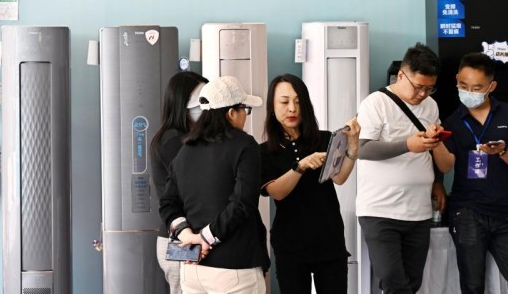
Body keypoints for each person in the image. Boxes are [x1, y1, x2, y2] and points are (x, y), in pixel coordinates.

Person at [356, 42, 455, 293]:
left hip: (419, 211)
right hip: (380, 210)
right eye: (418, 87)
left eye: (429, 88)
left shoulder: (431, 106)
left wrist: (437, 180)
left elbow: (436, 154)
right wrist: (407, 145)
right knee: (392, 279)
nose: (422, 94)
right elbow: (362, 149)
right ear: (401, 75)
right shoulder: (375, 103)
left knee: (412, 282)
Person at [159, 75, 270, 294]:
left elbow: (167, 203)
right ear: (231, 113)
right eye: (245, 109)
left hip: (192, 268)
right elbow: (243, 203)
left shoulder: (186, 150)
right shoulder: (244, 145)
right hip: (234, 267)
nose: (245, 116)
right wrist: (205, 238)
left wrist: (188, 236)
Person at [443, 52, 508, 294]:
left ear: (491, 86)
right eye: (463, 85)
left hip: (507, 214)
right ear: (456, 79)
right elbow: (445, 166)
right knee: (472, 286)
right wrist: (434, 144)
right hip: (467, 212)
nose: (469, 92)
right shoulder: (451, 122)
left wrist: (503, 151)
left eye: (476, 88)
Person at [259, 73, 360, 294]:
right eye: (284, 102)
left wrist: (353, 147)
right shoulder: (265, 151)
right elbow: (277, 192)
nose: (292, 108)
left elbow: (339, 178)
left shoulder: (324, 139)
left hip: (329, 239)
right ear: (272, 107)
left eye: (298, 102)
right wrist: (300, 166)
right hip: (290, 245)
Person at [150, 71, 208, 294]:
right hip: (180, 239)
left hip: (185, 237)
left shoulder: (186, 138)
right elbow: (195, 186)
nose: (205, 107)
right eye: (199, 100)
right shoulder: (174, 141)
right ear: (182, 102)